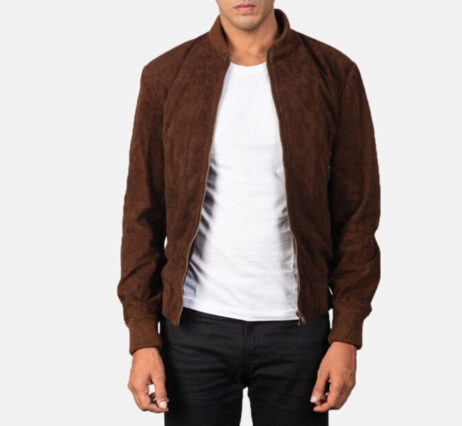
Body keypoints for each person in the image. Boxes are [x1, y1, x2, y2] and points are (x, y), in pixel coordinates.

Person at [117, 2, 381, 425]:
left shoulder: (333, 73)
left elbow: (357, 214)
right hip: (193, 330)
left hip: (299, 331)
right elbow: (141, 214)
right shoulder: (166, 75)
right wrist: (142, 335)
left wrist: (346, 334)